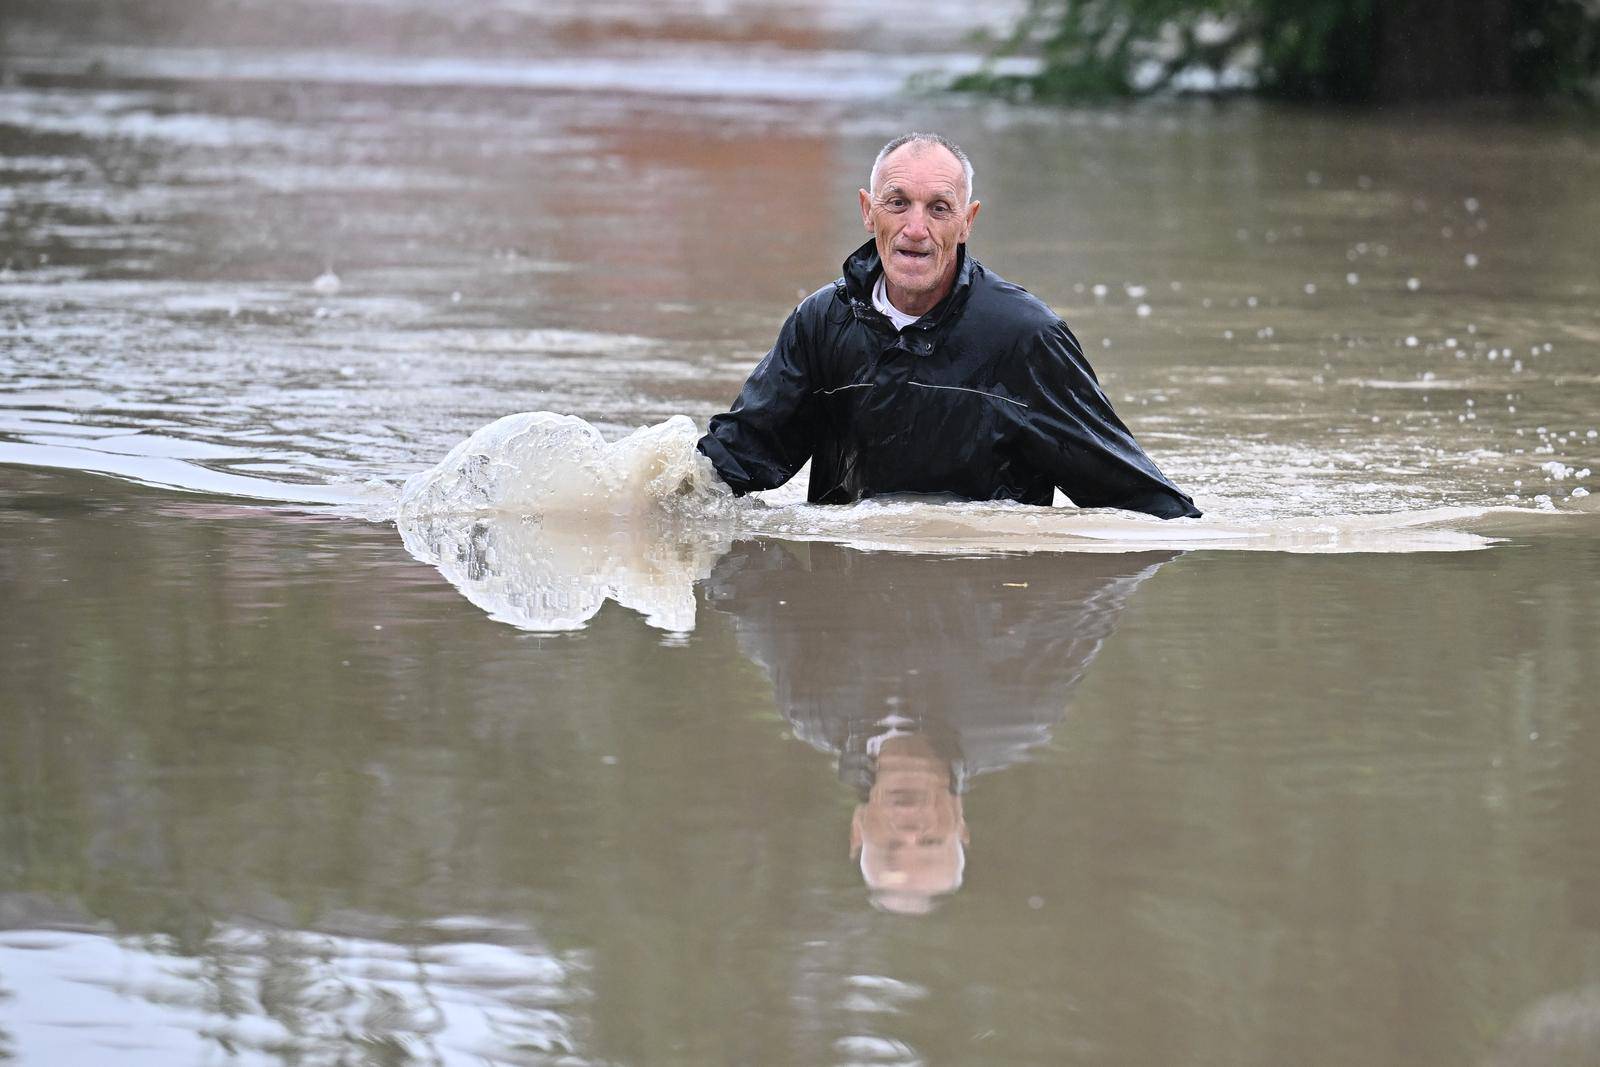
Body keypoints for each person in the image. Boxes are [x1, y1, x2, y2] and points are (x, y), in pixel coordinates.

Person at [697, 132, 1201, 519]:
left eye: (939, 208)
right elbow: (736, 461)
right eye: (898, 203)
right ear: (868, 212)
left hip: (980, 615)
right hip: (852, 618)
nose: (916, 230)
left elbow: (1138, 503)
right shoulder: (823, 321)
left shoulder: (1023, 337)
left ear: (967, 221)